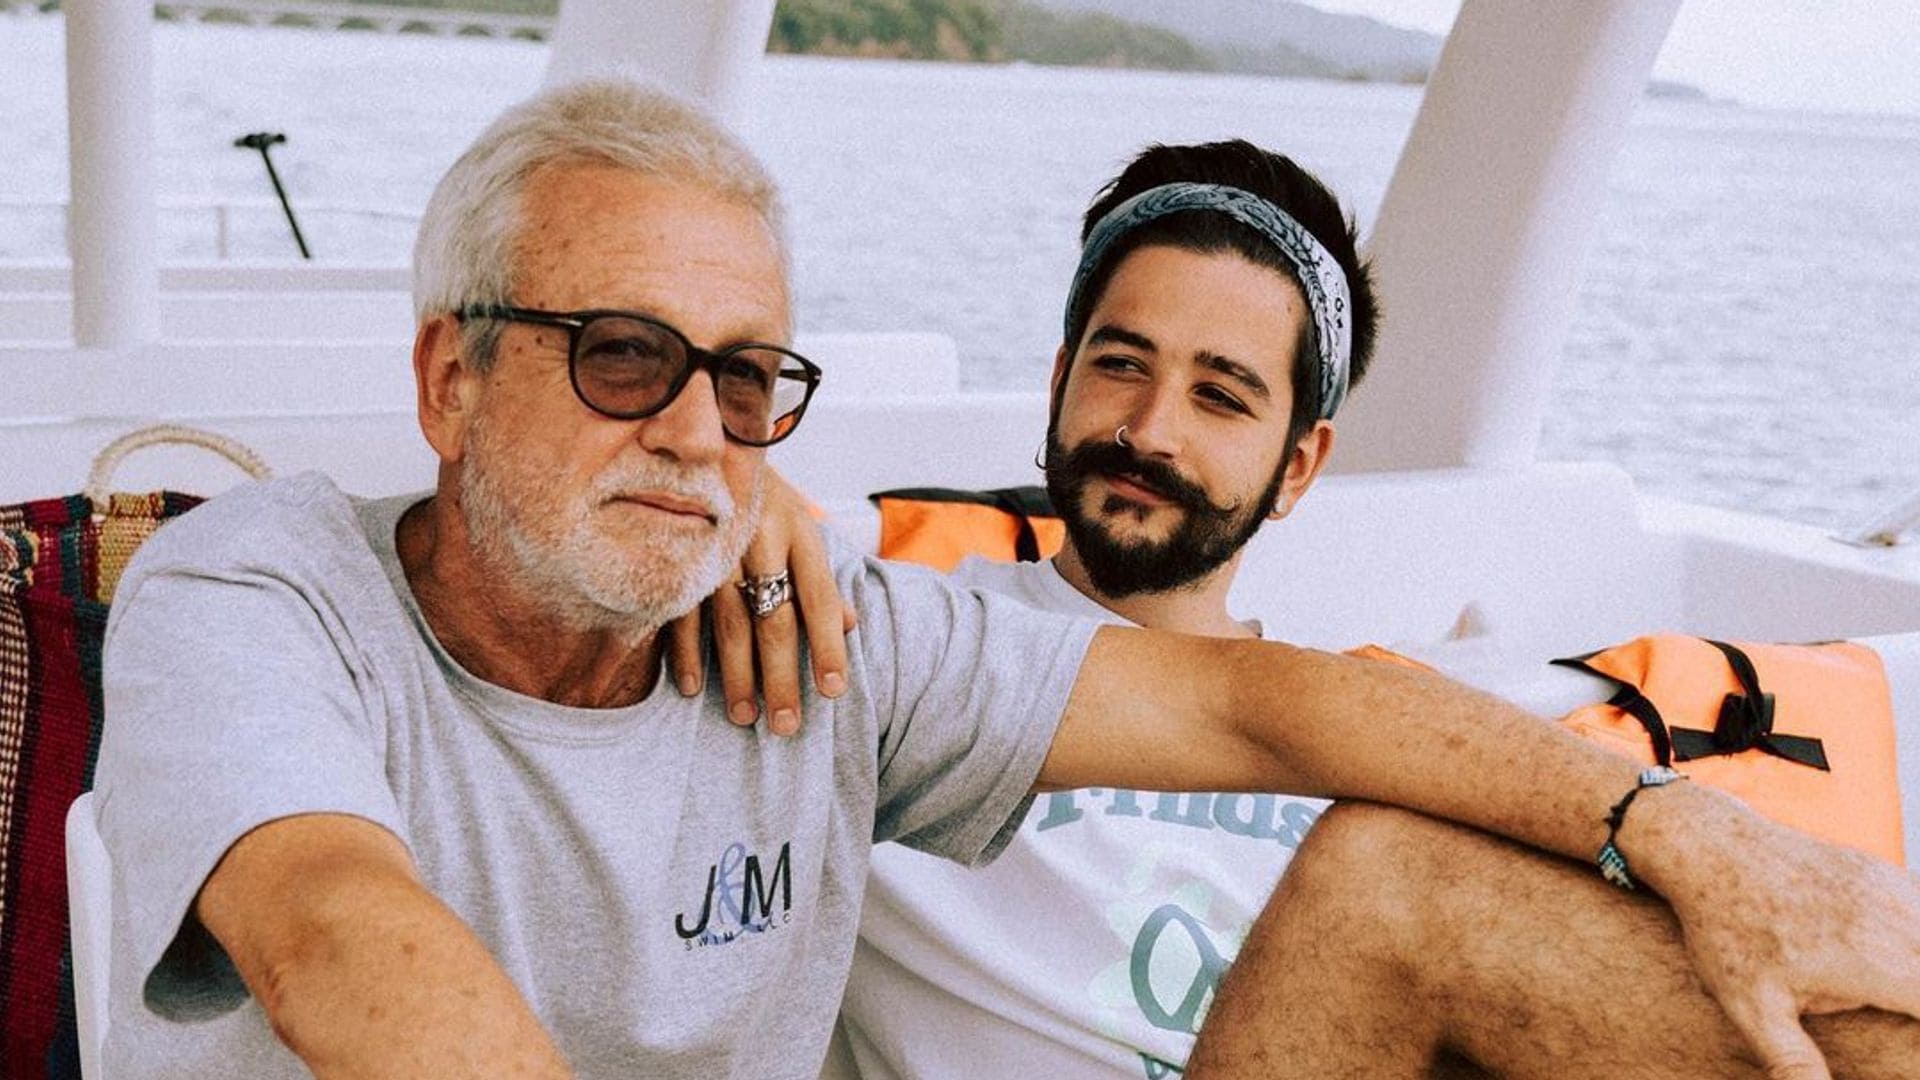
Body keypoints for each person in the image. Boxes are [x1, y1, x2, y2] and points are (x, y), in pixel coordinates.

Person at [93, 80, 1920, 1080]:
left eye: (743, 380)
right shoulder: (260, 596)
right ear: (448, 380)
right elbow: (341, 930)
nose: (697, 432)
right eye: (623, 355)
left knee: (1393, 880)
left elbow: (1246, 698)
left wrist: (1696, 835)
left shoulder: (829, 640)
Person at [818, 140, 1920, 1080]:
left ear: (1299, 466)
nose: (1152, 430)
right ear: (1059, 382)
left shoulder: (1397, 726)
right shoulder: (896, 656)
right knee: (1385, 875)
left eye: (1221, 395)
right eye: (1120, 365)